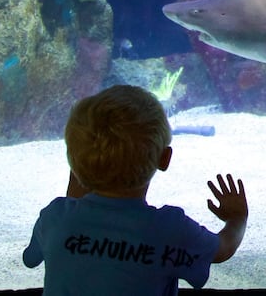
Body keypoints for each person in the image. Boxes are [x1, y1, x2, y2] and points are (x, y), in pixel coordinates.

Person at [23, 85, 248, 294]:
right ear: (165, 158)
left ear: (73, 160)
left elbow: (30, 258)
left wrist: (84, 166)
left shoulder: (56, 218)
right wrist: (237, 219)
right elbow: (222, 249)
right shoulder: (170, 229)